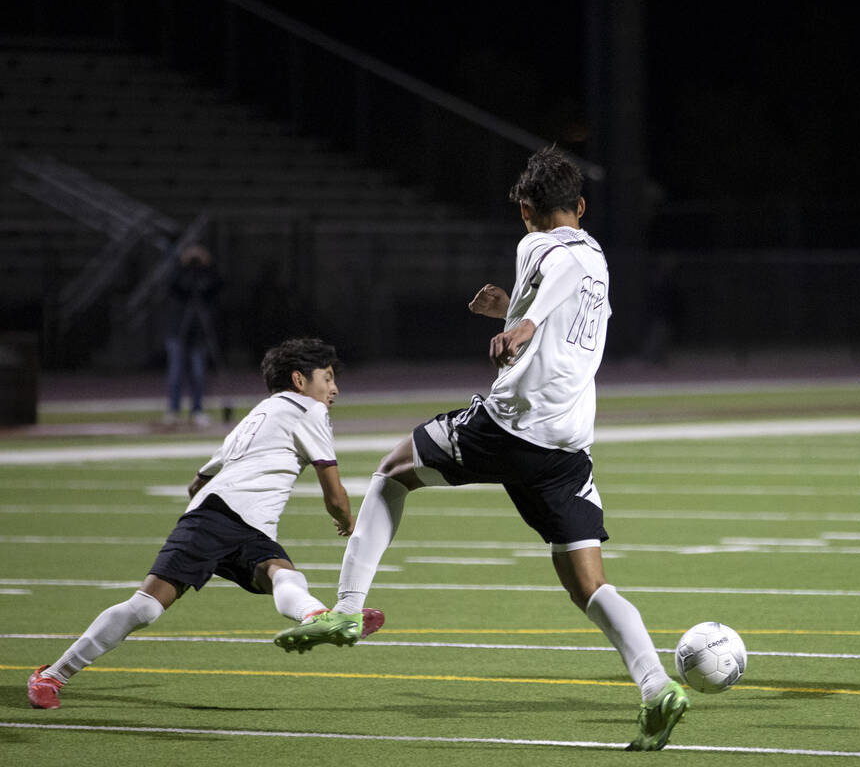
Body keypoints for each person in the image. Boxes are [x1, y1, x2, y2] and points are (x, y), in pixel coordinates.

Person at [272, 147, 690, 751]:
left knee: (391, 473)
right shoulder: (596, 253)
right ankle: (656, 687)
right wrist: (514, 310)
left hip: (511, 426)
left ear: (526, 209)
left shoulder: (536, 245)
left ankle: (346, 608)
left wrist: (521, 321)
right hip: (568, 445)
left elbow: (554, 282)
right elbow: (567, 300)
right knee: (588, 583)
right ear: (580, 206)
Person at [27, 338, 384, 709]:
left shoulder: (261, 412)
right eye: (327, 378)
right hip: (222, 517)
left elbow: (202, 476)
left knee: (281, 573)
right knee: (146, 607)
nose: (334, 389)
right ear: (299, 379)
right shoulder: (309, 410)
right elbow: (334, 492)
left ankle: (321, 616)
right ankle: (51, 675)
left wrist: (206, 496)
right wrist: (348, 523)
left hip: (237, 521)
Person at [164, 243, 221, 427]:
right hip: (178, 331)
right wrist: (182, 264)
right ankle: (173, 411)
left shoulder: (206, 274)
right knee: (175, 374)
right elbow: (173, 285)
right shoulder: (179, 273)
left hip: (198, 333)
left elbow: (217, 285)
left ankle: (197, 410)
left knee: (198, 374)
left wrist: (207, 264)